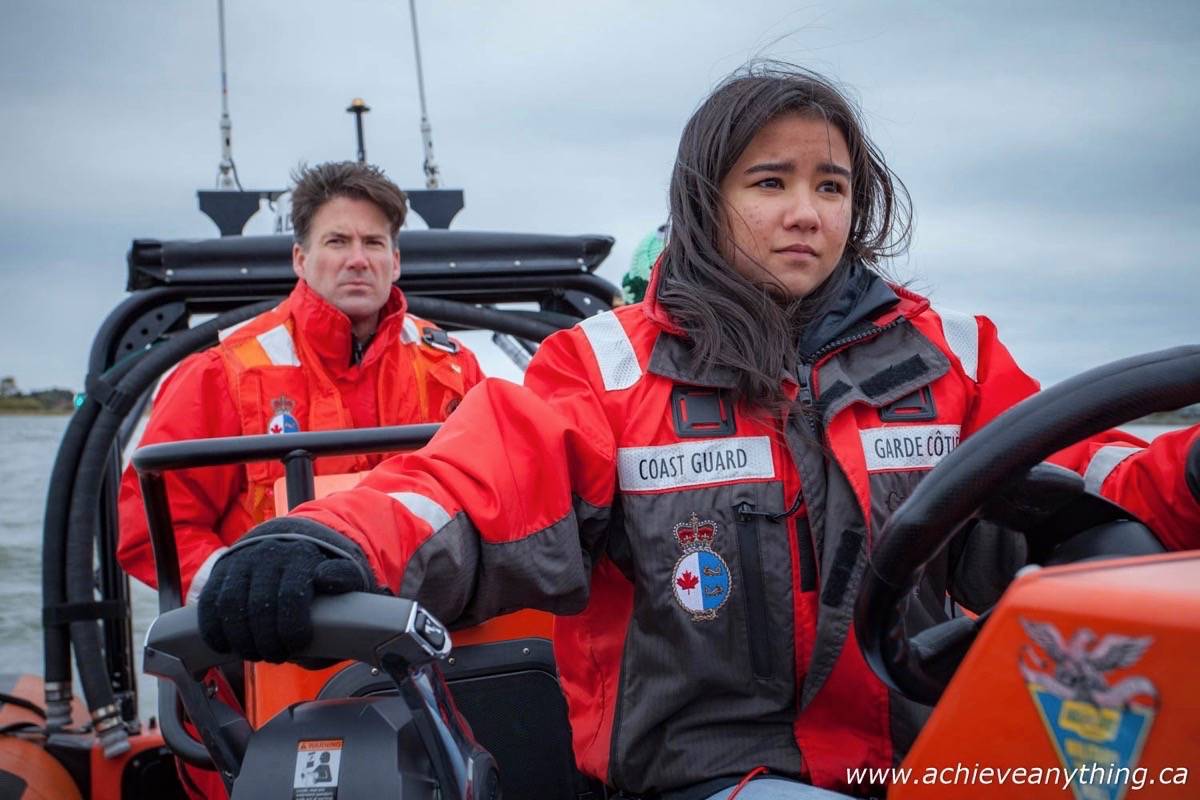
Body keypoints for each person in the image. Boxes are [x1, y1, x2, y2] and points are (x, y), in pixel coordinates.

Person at [196, 66, 1200, 799]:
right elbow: (459, 492)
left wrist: (1189, 469)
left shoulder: (957, 358)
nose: (805, 212)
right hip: (709, 774)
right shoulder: (601, 368)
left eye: (831, 185)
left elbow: (1091, 475)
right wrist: (321, 540)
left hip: (943, 760)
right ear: (707, 199)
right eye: (770, 182)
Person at [116, 160, 484, 603]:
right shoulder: (222, 372)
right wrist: (245, 593)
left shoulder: (454, 368)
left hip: (443, 627)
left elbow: (498, 496)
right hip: (285, 646)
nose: (358, 260)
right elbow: (151, 528)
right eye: (337, 241)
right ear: (300, 259)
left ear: (396, 260)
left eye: (373, 242)